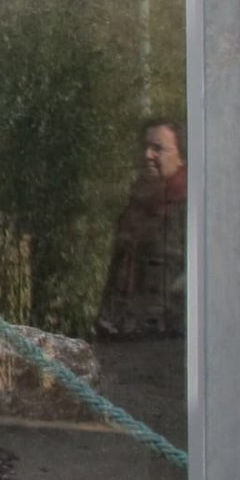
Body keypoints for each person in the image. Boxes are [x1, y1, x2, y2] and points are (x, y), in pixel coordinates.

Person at [96, 119, 188, 339]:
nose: (148, 155)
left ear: (181, 157)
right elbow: (117, 274)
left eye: (158, 148)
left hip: (169, 337)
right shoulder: (135, 209)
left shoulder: (192, 210)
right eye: (145, 147)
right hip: (125, 333)